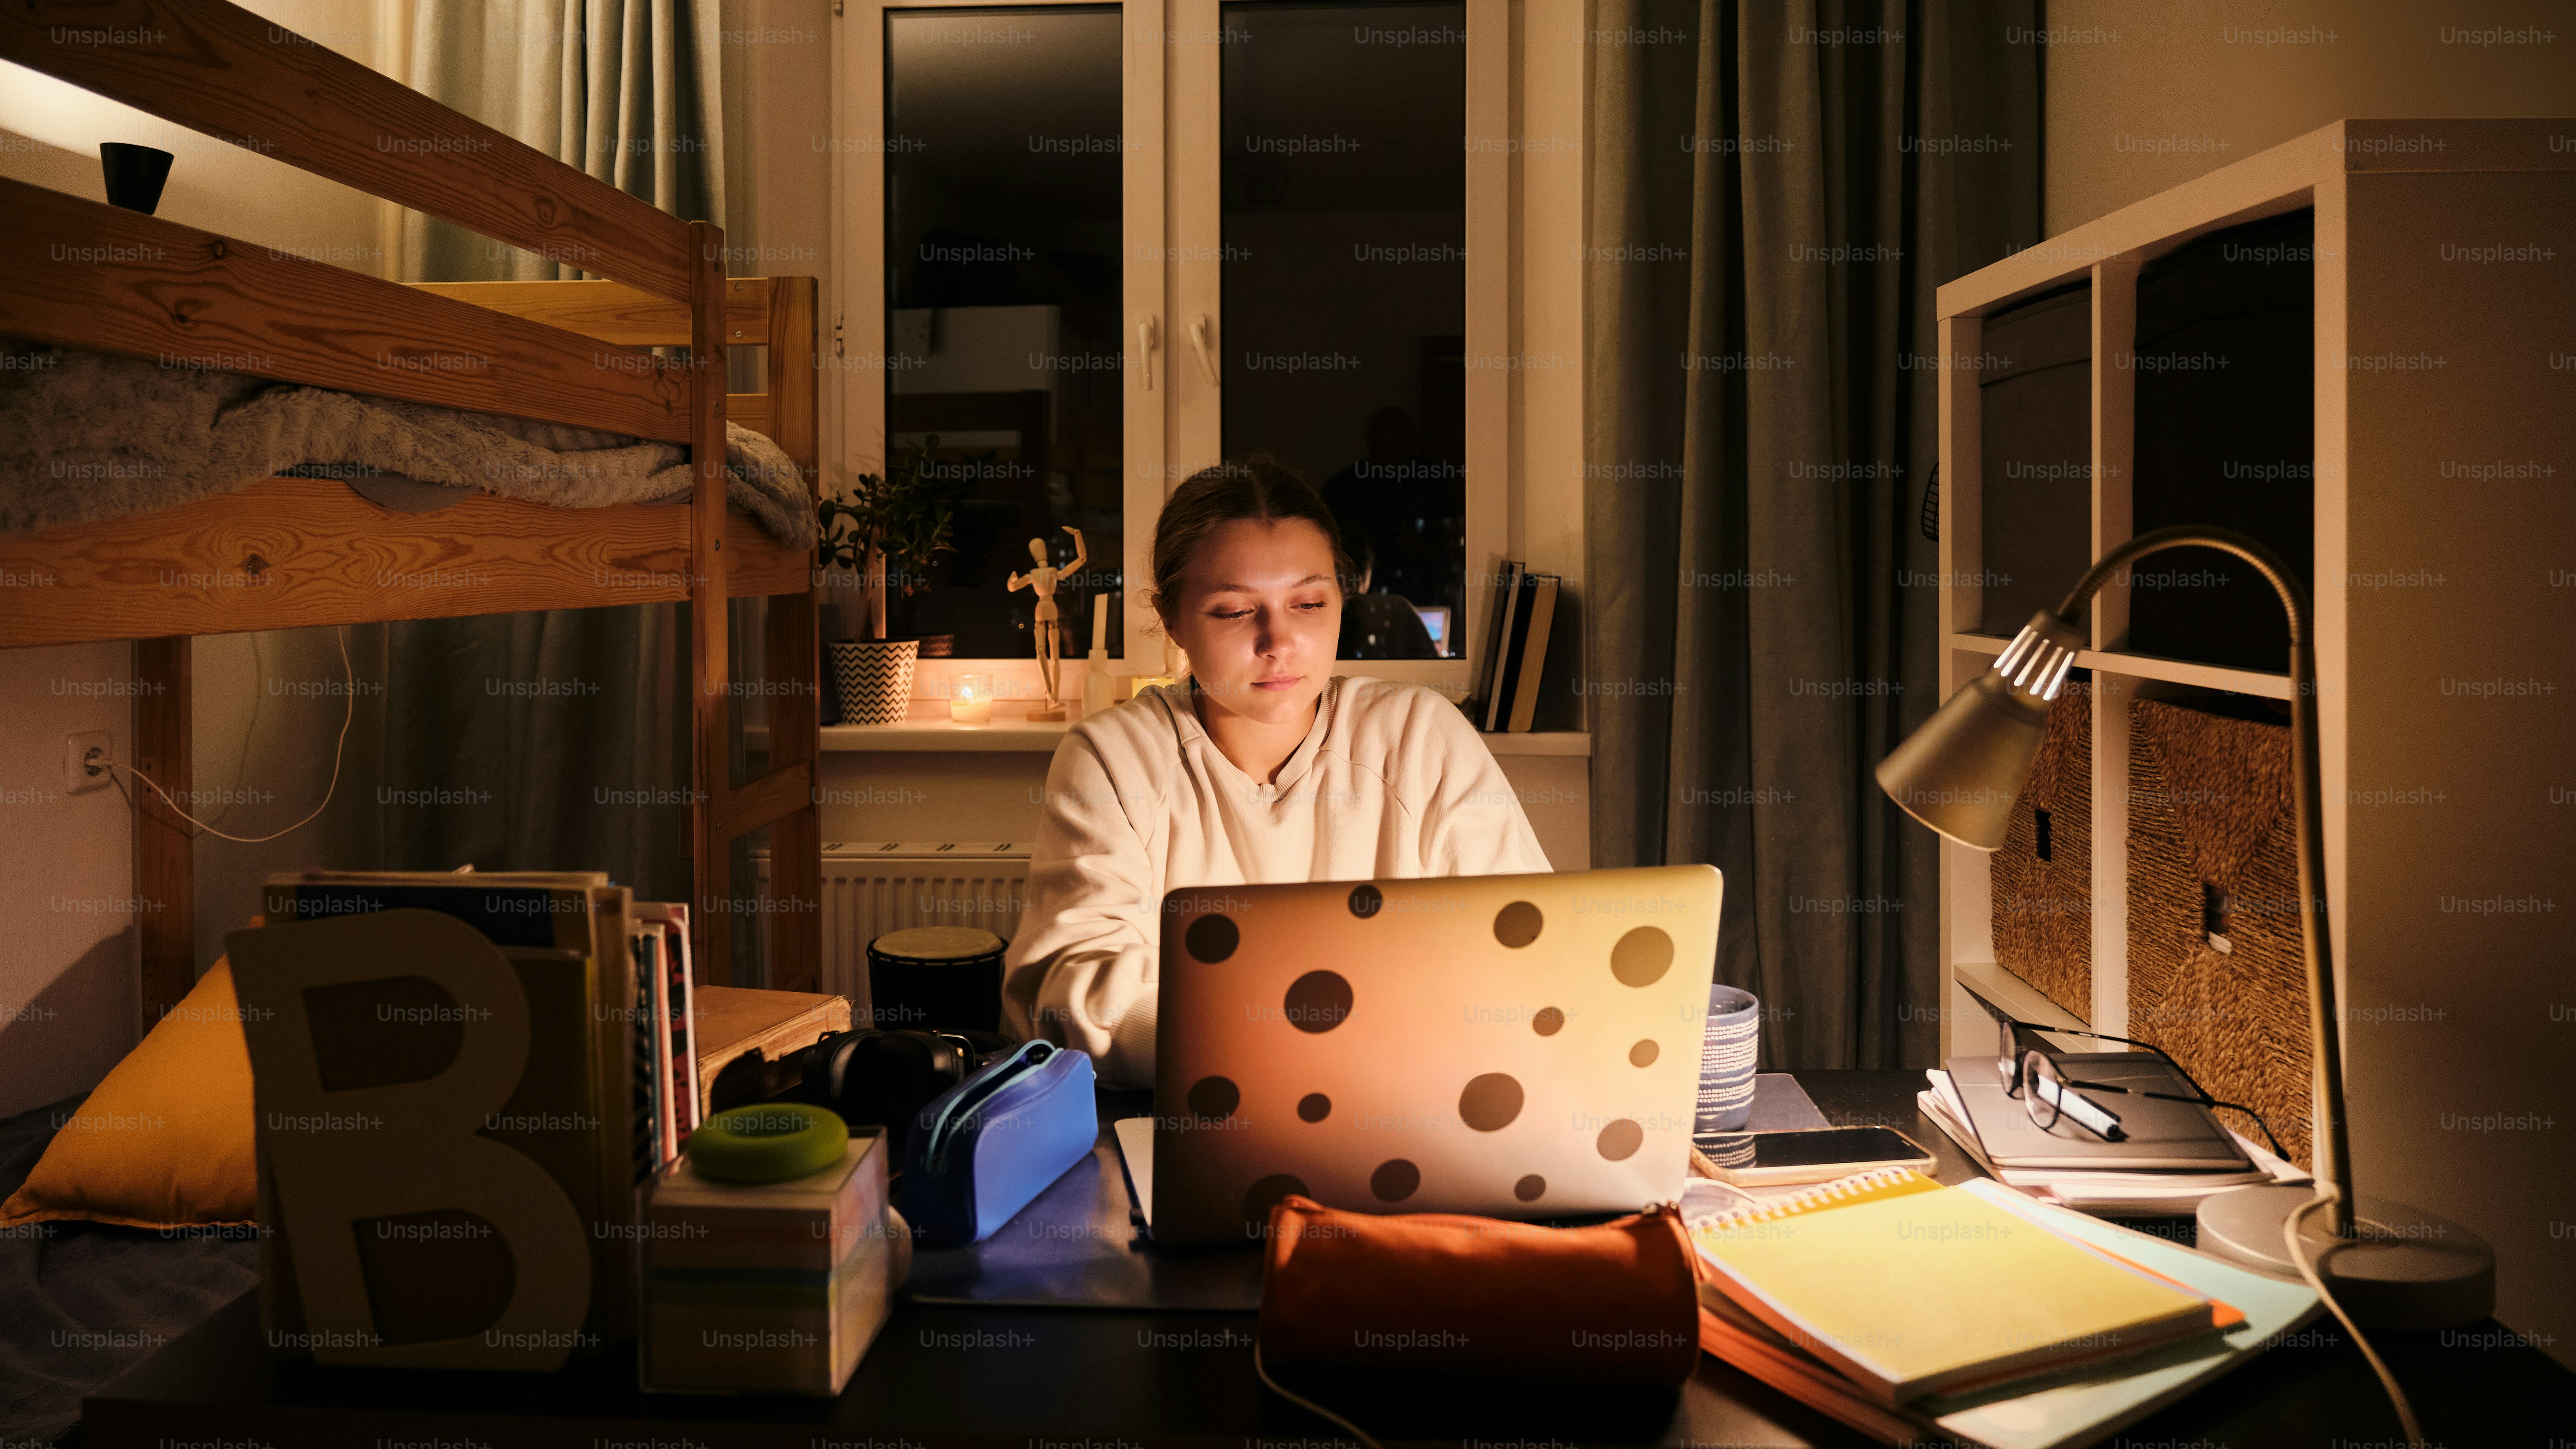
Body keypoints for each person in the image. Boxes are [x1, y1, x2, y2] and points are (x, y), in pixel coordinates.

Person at [1001, 457, 1550, 1084]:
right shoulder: (1114, 758)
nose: (1279, 641)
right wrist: (1279, 1038)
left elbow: (1527, 952)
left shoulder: (1421, 738)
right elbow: (1066, 994)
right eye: (1236, 611)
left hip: (1403, 1108)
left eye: (1309, 602)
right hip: (1190, 1119)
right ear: (1173, 617)